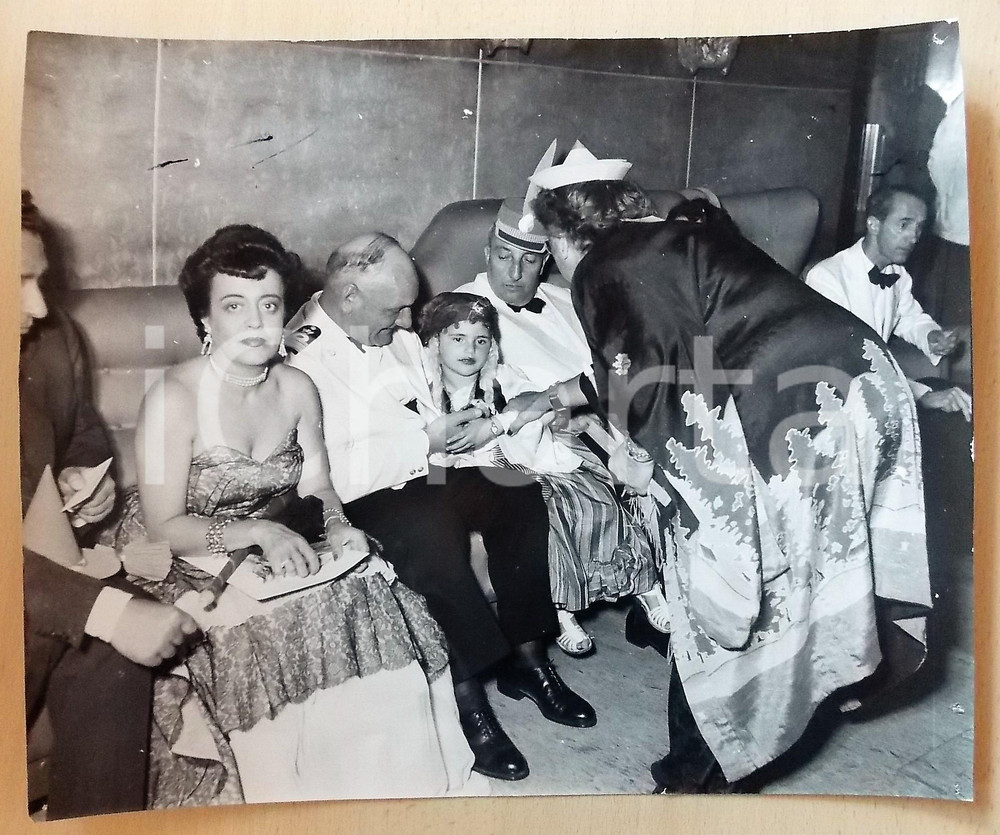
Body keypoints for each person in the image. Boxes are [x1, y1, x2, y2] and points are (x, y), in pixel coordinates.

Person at [526, 141, 932, 792]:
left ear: (563, 232)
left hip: (792, 407)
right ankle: (733, 747)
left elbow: (643, 379)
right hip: (860, 385)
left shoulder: (600, 267)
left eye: (547, 243)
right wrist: (551, 397)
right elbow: (654, 357)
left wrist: (643, 467)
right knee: (794, 577)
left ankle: (692, 778)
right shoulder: (676, 240)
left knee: (710, 596)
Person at [102, 225, 485, 805]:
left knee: (366, 586)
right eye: (234, 307)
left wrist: (337, 526)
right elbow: (163, 527)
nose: (256, 323)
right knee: (269, 625)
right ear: (204, 320)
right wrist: (255, 531)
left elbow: (319, 486)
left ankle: (374, 795)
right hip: (188, 549)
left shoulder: (299, 387)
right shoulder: (172, 399)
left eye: (269, 305)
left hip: (279, 539)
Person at [284, 232, 596, 782]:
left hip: (425, 473)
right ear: (349, 296)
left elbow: (427, 406)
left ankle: (528, 658)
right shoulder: (300, 356)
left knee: (516, 491)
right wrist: (427, 442)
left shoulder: (386, 329)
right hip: (358, 496)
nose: (408, 322)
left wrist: (468, 432)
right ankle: (467, 698)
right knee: (431, 530)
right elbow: (325, 470)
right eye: (397, 308)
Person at [20, 190, 198, 819]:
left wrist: (78, 474)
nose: (38, 305)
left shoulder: (48, 337)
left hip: (38, 572)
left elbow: (84, 430)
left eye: (37, 279)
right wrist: (102, 610)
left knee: (112, 649)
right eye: (14, 282)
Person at [455, 202, 670, 653]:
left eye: (529, 260)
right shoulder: (464, 313)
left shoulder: (565, 299)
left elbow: (610, 364)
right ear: (486, 252)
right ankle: (582, 602)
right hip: (543, 434)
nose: (514, 272)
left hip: (614, 414)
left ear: (546, 260)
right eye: (503, 257)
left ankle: (656, 601)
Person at [805, 184, 971, 421]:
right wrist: (922, 396)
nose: (913, 237)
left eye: (919, 227)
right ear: (873, 224)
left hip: (875, 392)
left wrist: (932, 337)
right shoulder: (827, 278)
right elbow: (851, 365)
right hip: (832, 402)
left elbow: (910, 318)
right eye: (904, 224)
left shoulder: (898, 274)